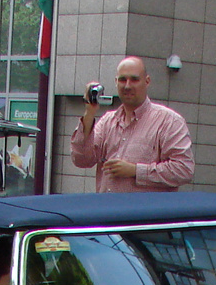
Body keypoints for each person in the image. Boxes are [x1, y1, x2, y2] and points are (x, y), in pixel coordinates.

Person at [70, 55, 194, 193]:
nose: (127, 86)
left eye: (134, 79)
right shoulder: (107, 121)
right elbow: (81, 160)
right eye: (123, 80)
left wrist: (136, 171)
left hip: (145, 213)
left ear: (147, 81)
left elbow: (184, 169)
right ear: (116, 82)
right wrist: (89, 112)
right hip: (107, 211)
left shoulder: (169, 121)